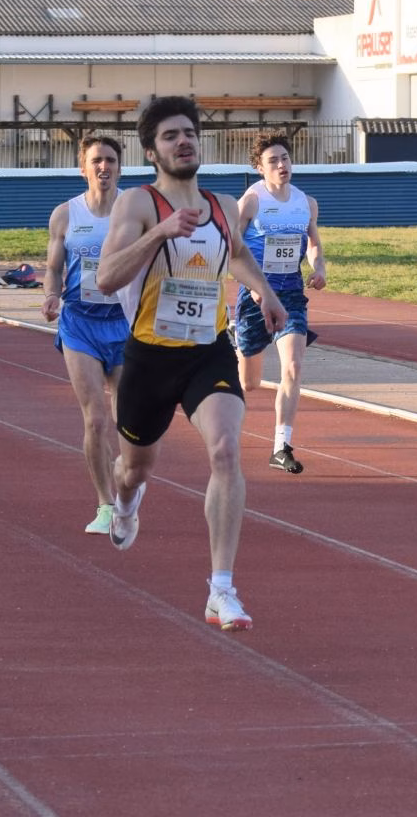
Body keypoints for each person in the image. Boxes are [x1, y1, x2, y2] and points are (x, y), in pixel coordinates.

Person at [96, 96, 287, 633]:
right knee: (135, 468)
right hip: (150, 356)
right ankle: (127, 503)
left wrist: (266, 295)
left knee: (227, 452)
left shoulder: (223, 203)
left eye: (189, 133)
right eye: (170, 136)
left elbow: (240, 253)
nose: (184, 141)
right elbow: (107, 278)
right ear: (152, 151)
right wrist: (160, 232)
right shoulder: (137, 204)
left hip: (208, 351)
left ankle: (220, 589)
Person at [41, 135, 131, 535]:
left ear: (119, 167)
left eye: (111, 160)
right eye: (96, 160)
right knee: (96, 420)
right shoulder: (65, 214)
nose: (104, 167)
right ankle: (106, 505)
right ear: (83, 168)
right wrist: (50, 295)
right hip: (79, 323)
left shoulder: (135, 211)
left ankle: (128, 494)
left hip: (126, 323)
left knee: (128, 420)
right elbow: (53, 268)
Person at [235, 133, 327, 474]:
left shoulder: (306, 203)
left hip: (289, 291)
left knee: (293, 366)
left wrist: (318, 268)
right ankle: (233, 348)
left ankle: (281, 446)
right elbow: (233, 250)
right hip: (256, 292)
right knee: (249, 383)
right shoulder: (250, 202)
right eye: (273, 161)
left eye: (285, 158)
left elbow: (314, 242)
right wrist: (255, 288)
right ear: (260, 168)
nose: (281, 165)